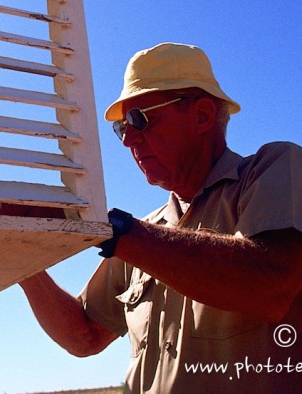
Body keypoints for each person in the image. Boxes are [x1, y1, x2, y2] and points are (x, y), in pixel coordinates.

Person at [19, 42, 302, 393]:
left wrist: (110, 230)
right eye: (122, 128)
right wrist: (21, 251)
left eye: (140, 119)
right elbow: (85, 335)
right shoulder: (140, 235)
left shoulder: (273, 169)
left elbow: (270, 285)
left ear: (201, 115)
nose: (128, 140)